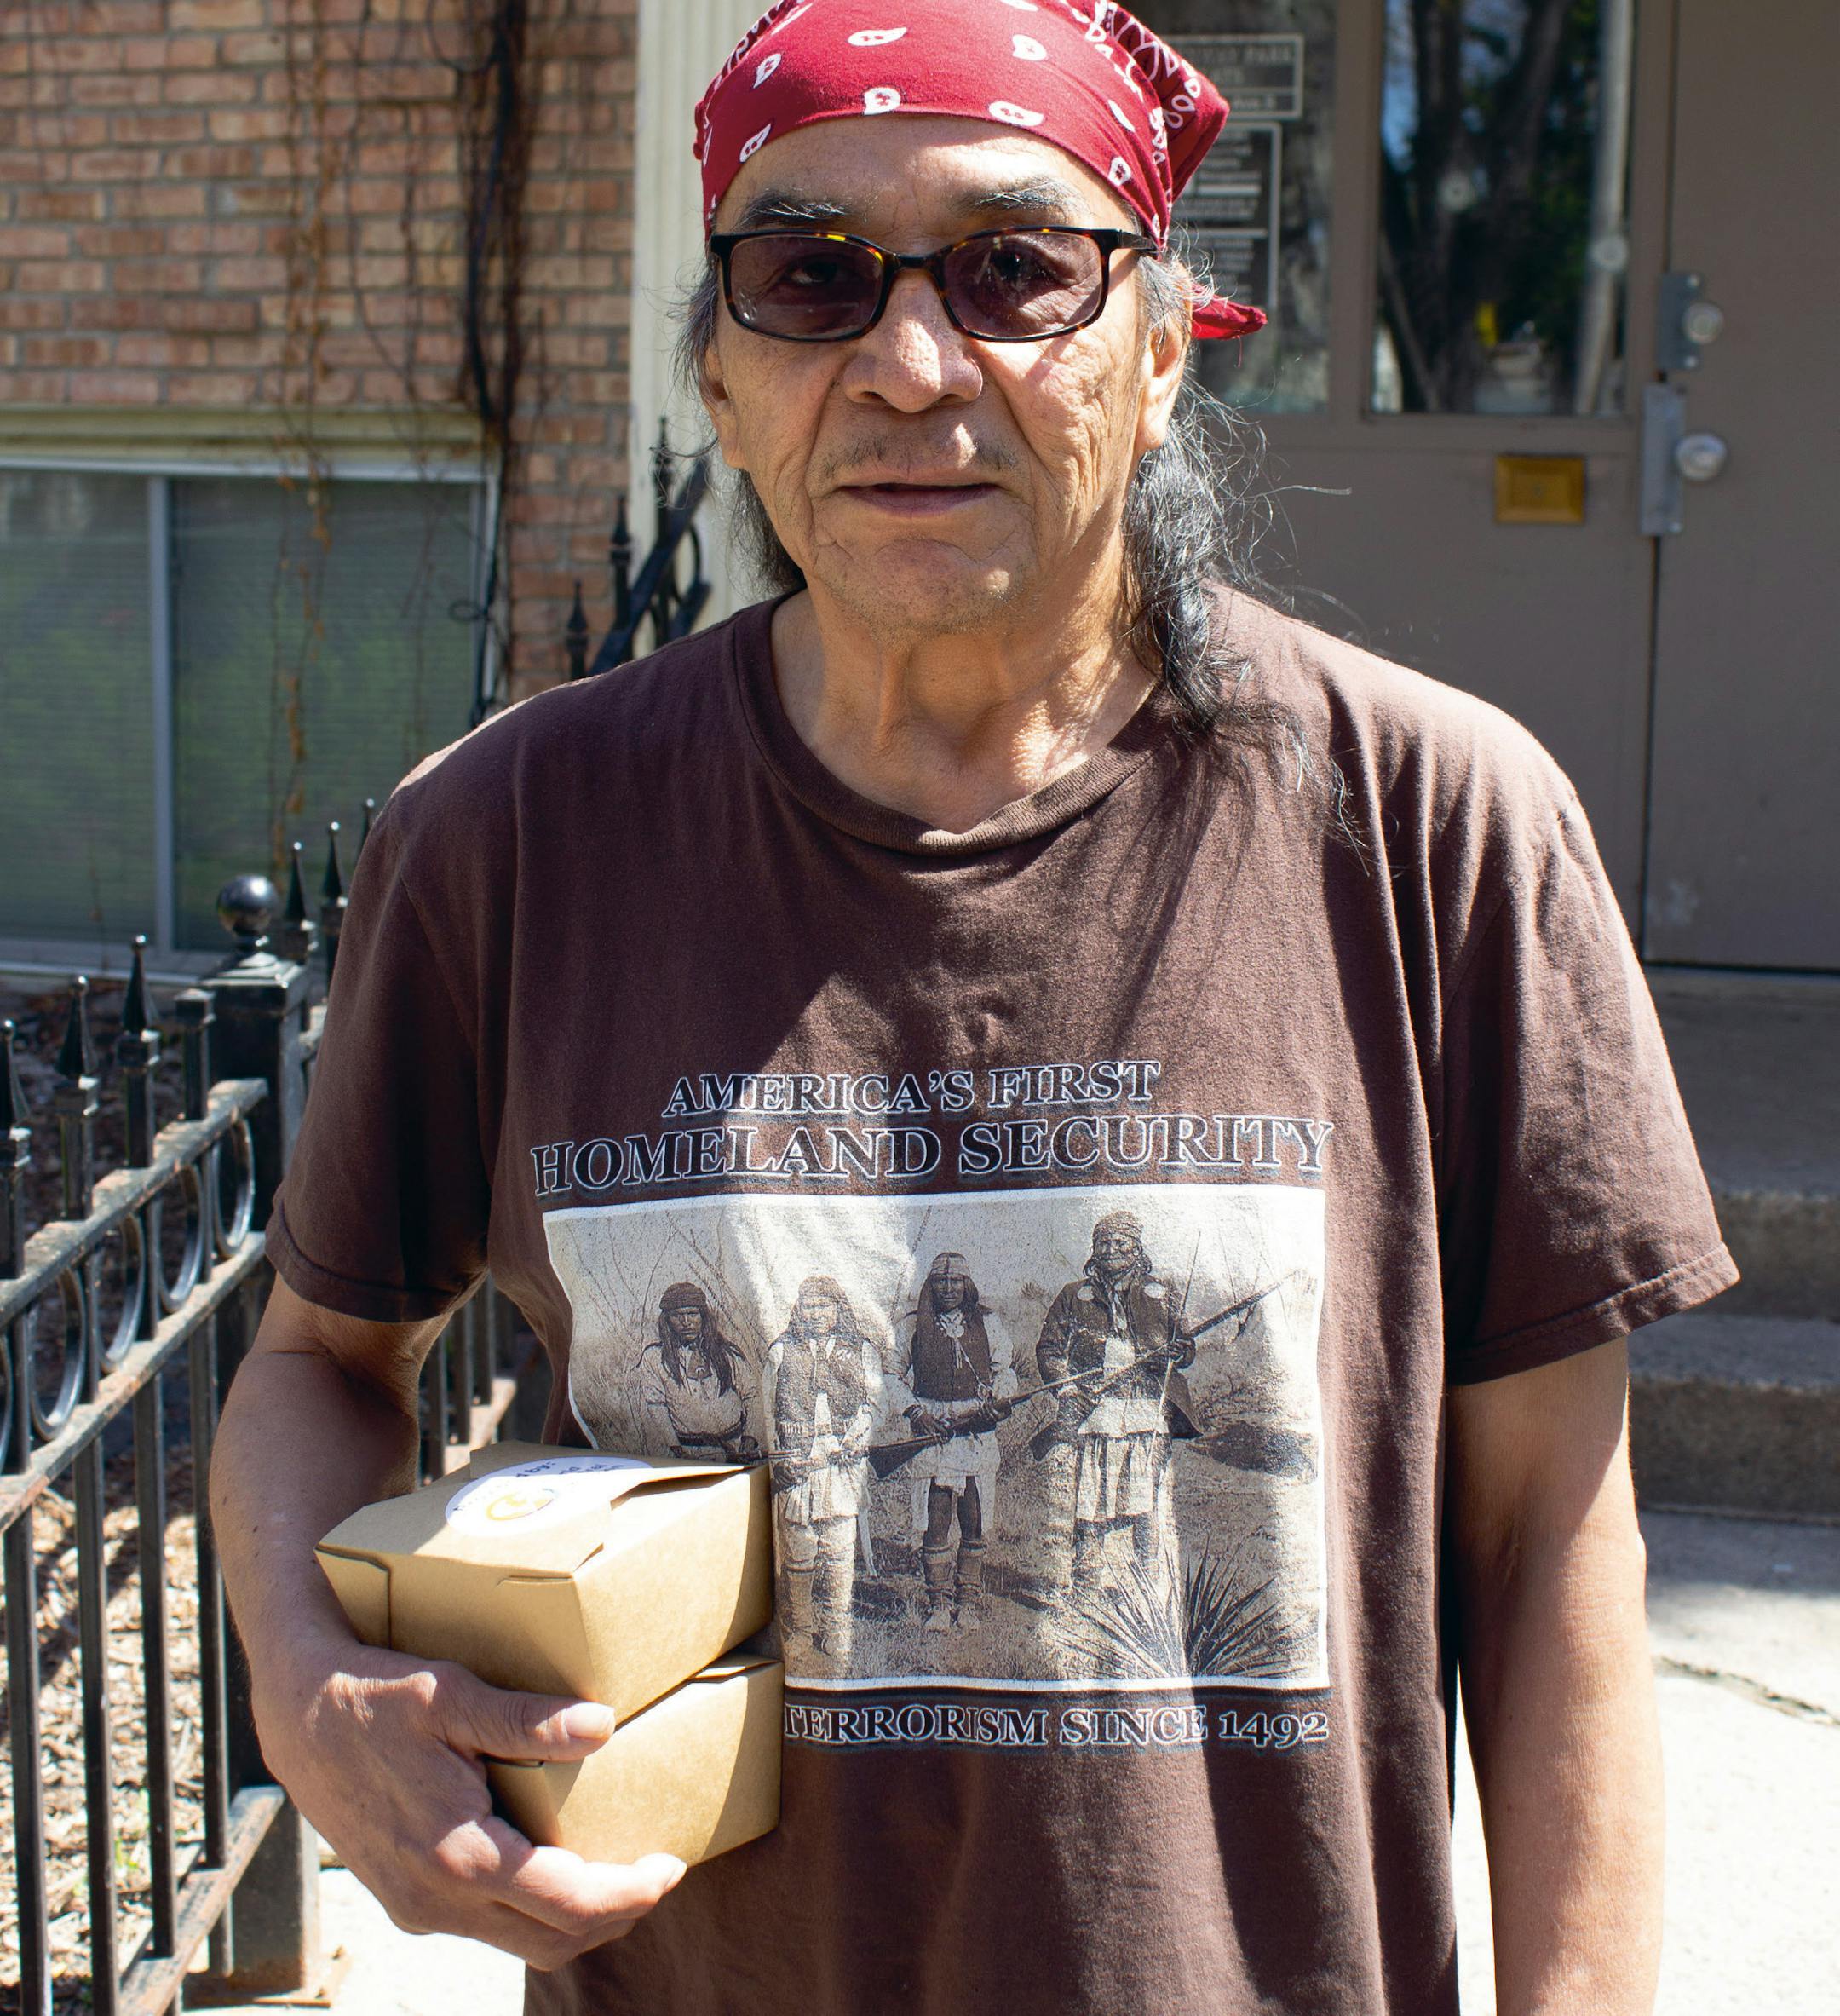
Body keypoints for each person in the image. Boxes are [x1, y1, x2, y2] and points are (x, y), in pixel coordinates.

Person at [210, 1, 1736, 2009]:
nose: (911, 365)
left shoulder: (1429, 824)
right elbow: (319, 1358)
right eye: (809, 277)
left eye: (1016, 270)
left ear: (1162, 347)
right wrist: (314, 1685)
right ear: (727, 383)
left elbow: (1550, 1547)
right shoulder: (510, 838)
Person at [1035, 1209, 1193, 1592]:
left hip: (1148, 1411)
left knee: (1144, 1501)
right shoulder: (1075, 1296)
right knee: (1090, 1499)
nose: (1111, 1250)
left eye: (1120, 1243)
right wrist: (1068, 1388)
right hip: (1097, 1412)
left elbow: (1187, 1349)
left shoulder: (1162, 1293)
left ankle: (1144, 1585)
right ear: (1093, 1249)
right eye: (1103, 1243)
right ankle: (1086, 1582)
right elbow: (1049, 1349)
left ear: (1136, 1249)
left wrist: (1173, 1353)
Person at [887, 1249, 1018, 1629]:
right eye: (941, 1281)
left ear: (967, 1284)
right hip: (933, 1435)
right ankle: (939, 1604)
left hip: (975, 1432)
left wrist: (999, 1399)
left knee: (974, 1518)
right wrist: (917, 1413)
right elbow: (890, 1375)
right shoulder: (913, 1326)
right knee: (937, 1518)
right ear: (931, 1285)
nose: (948, 1288)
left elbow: (1004, 1371)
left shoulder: (987, 1323)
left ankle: (969, 1601)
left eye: (955, 1281)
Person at [758, 1274, 884, 1667]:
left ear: (837, 1309)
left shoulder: (860, 1350)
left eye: (823, 1306)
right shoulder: (781, 1352)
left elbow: (874, 1401)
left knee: (838, 1547)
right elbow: (768, 1408)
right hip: (798, 1459)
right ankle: (800, 1630)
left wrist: (856, 1437)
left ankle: (837, 1629)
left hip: (843, 1459)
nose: (815, 1314)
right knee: (799, 1548)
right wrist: (782, 1458)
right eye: (808, 1306)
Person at [636, 1281, 760, 1460]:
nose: (686, 1322)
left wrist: (749, 1439)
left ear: (703, 1316)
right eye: (678, 1316)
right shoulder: (655, 1358)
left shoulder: (727, 1354)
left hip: (737, 1446)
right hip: (691, 1453)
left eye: (692, 1314)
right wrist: (677, 1451)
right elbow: (657, 1406)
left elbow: (751, 1396)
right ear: (667, 1321)